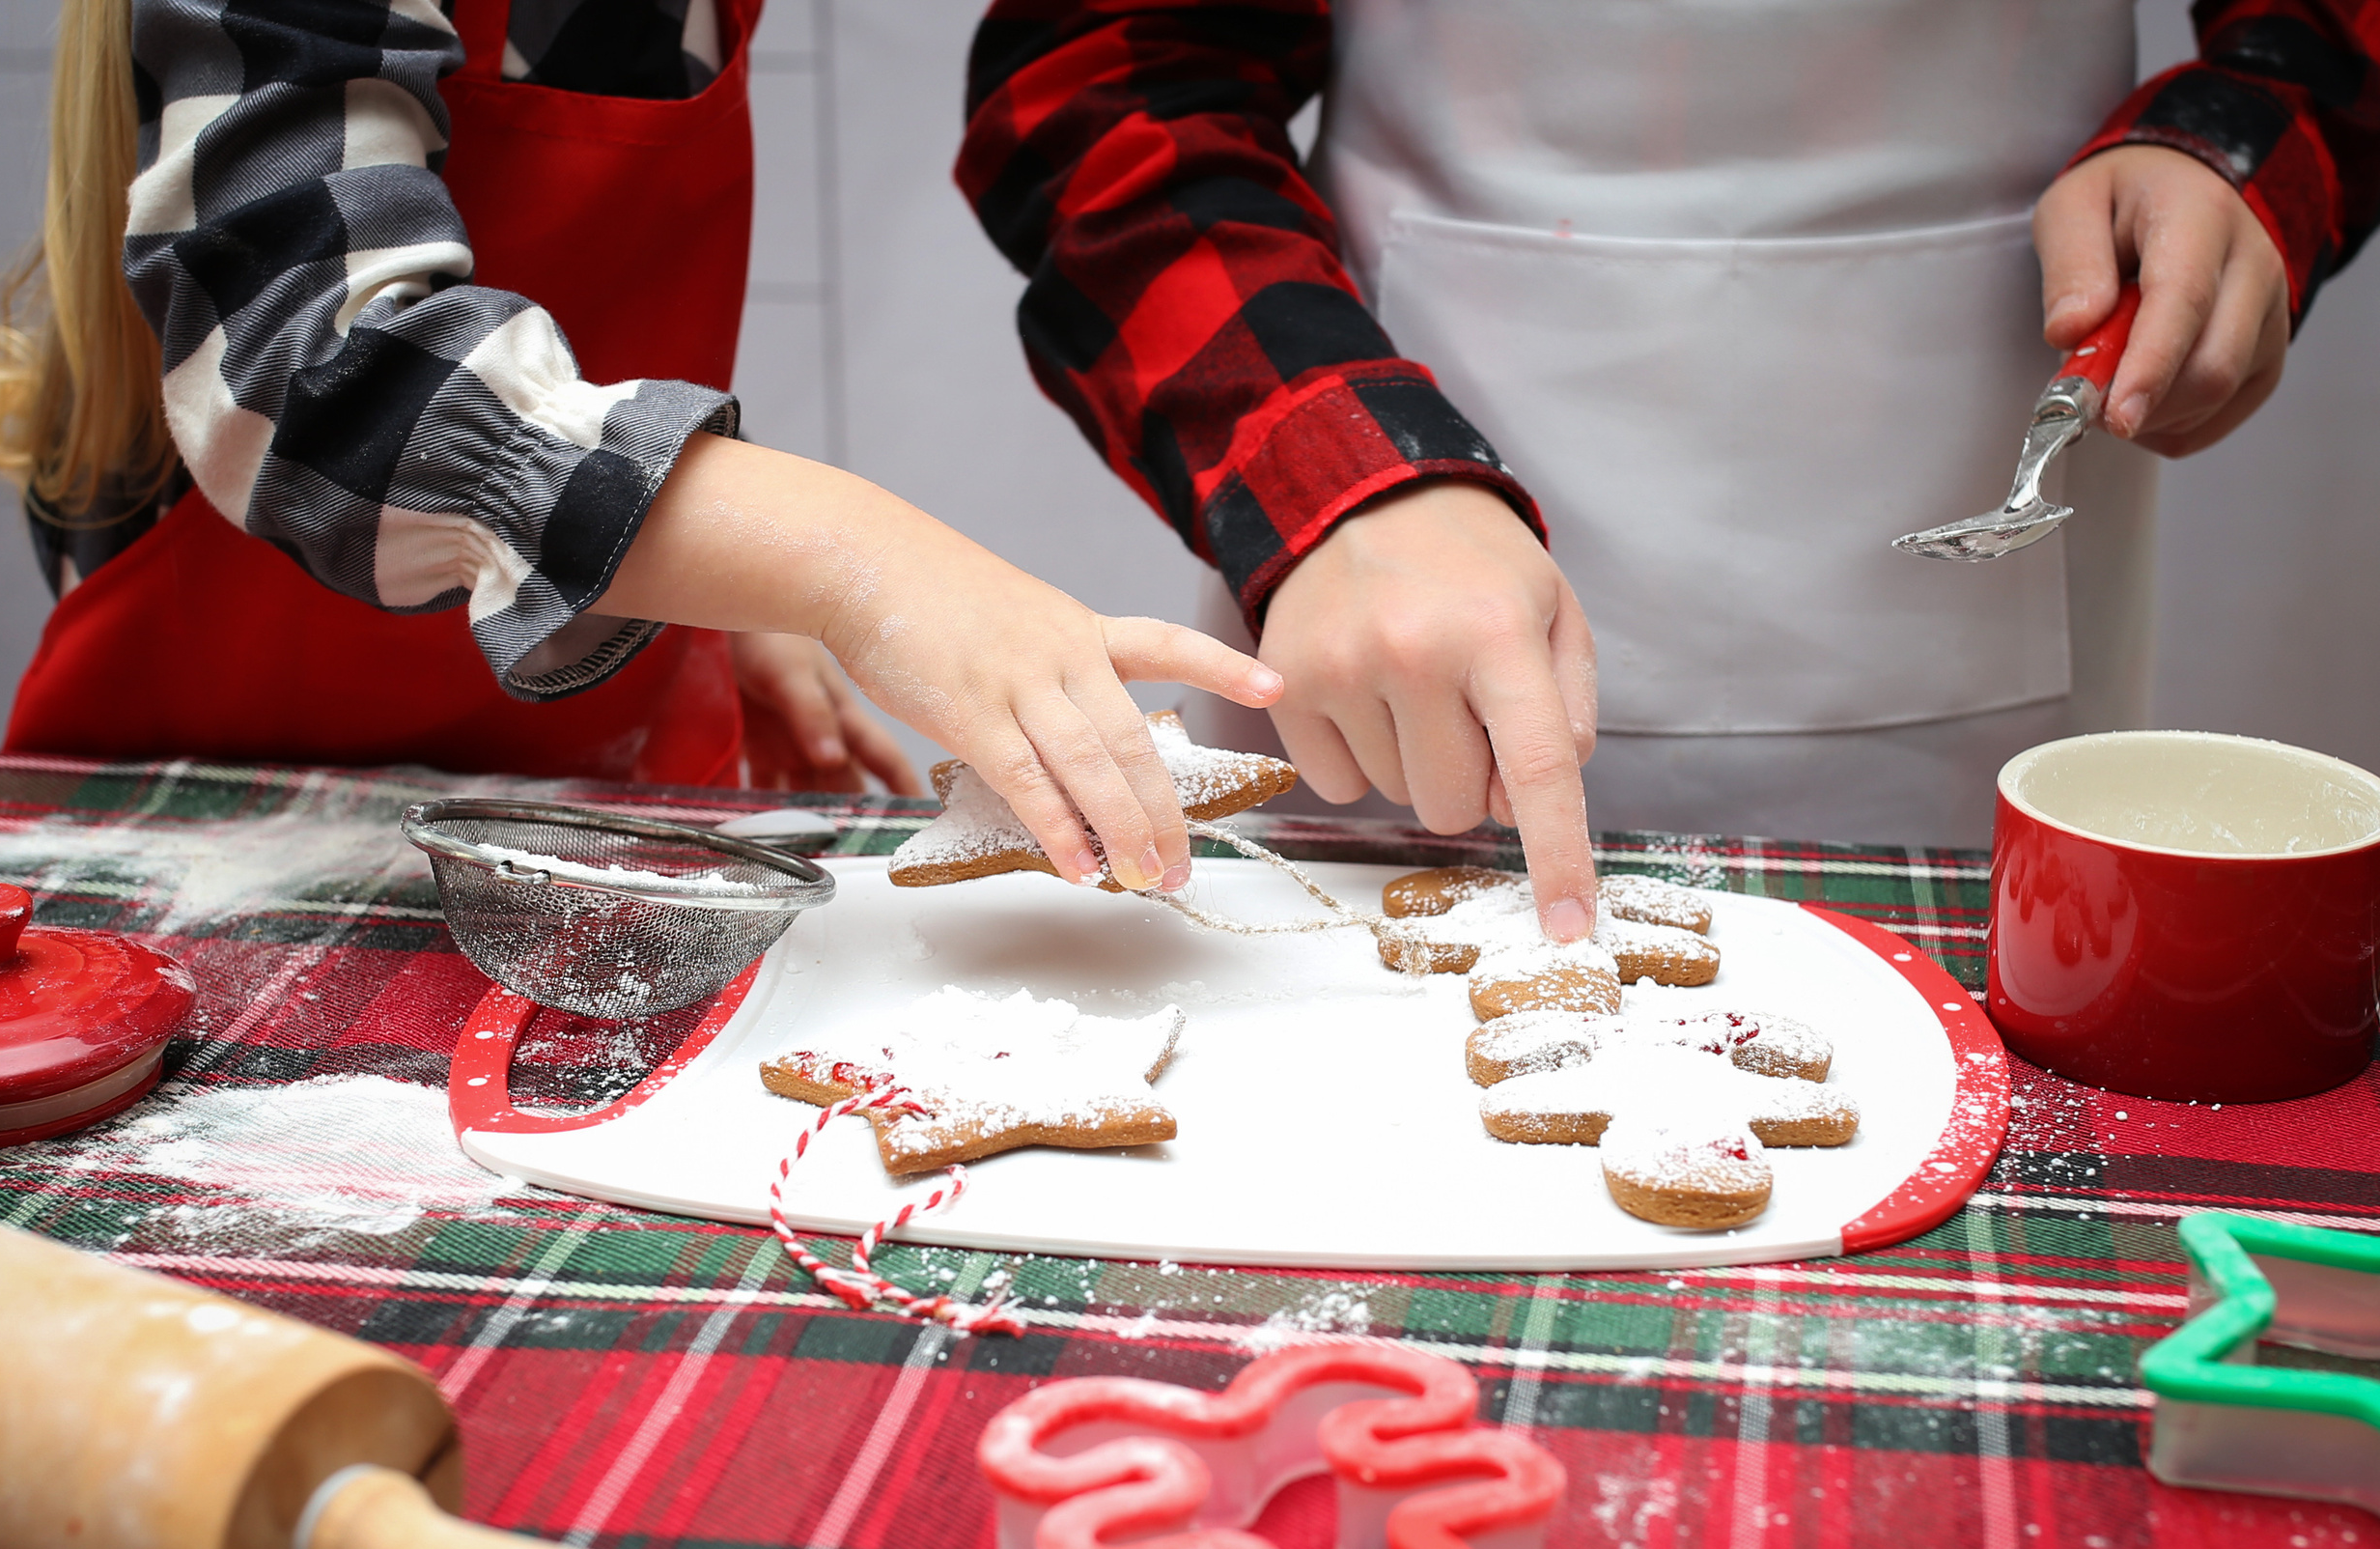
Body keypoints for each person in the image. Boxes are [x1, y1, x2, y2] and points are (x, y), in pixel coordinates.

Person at [957, 0, 2377, 938]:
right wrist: (1336, 474)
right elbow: (1104, 82)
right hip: (1383, 520)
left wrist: (2258, 131)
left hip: (1975, 506)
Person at [0, 0, 1282, 896]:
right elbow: (312, 368)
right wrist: (855, 559)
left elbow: (563, 326)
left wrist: (715, 588)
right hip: (240, 850)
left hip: (585, 802)